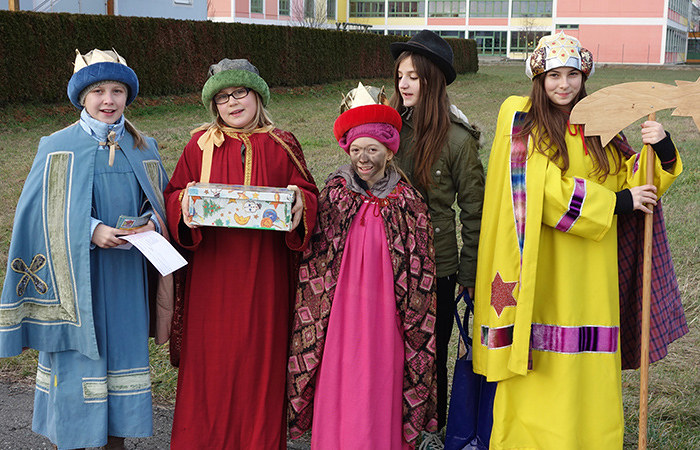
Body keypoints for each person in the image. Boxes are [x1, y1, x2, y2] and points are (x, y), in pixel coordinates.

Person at [472, 32, 686, 449]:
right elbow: (541, 190)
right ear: (538, 78)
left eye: (573, 74)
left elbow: (630, 181)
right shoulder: (521, 119)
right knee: (540, 368)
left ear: (584, 78)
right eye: (554, 75)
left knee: (589, 366)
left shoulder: (595, 124)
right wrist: (615, 203)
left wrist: (660, 148)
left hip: (592, 274)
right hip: (543, 270)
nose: (564, 84)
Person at [0, 49, 171, 450]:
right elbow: (37, 215)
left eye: (117, 91)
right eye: (98, 91)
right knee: (78, 366)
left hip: (126, 278)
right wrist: (92, 230)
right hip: (78, 281)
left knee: (121, 364)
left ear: (127, 96)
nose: (108, 100)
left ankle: (115, 442)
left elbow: (162, 201)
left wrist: (151, 223)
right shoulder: (58, 146)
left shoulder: (144, 147)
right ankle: (71, 440)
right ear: (82, 97)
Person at [164, 58, 319, 449]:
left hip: (265, 277)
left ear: (257, 96)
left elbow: (308, 193)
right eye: (222, 97)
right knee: (211, 364)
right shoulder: (199, 146)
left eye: (240, 92)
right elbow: (174, 194)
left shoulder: (283, 143)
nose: (232, 102)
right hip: (213, 276)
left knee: (258, 363)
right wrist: (184, 202)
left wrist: (300, 201)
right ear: (213, 105)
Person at [287, 83, 437, 449]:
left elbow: (421, 271)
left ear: (389, 150)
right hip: (339, 316)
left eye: (372, 149)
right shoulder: (335, 194)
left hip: (387, 320)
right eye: (356, 150)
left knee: (379, 383)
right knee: (340, 379)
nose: (363, 158)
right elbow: (315, 254)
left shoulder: (408, 203)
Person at [389, 29, 485, 449]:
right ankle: (386, 422)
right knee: (388, 347)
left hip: (437, 267)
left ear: (434, 82)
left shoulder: (459, 141)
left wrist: (469, 273)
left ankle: (431, 428)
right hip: (388, 261)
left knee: (430, 353)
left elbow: (475, 213)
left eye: (414, 77)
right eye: (400, 76)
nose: (404, 84)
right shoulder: (389, 129)